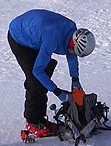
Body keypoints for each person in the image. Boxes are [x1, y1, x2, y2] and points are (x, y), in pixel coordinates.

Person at [7, 9, 95, 137]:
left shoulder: (71, 30)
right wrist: (58, 92)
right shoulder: (52, 38)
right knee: (35, 79)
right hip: (19, 38)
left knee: (44, 76)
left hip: (36, 34)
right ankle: (32, 122)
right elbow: (38, 71)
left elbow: (71, 53)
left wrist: (75, 80)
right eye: (73, 50)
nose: (72, 52)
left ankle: (40, 119)